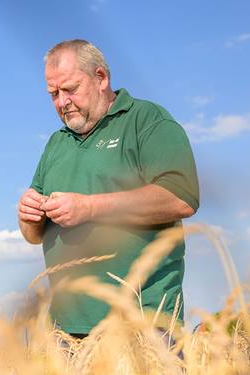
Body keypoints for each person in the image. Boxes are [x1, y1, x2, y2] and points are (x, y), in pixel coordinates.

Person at [18, 39, 199, 340]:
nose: (62, 102)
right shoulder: (56, 144)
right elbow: (32, 236)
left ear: (101, 78)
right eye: (53, 94)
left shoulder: (146, 120)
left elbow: (182, 196)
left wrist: (89, 207)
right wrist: (28, 216)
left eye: (70, 89)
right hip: (66, 334)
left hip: (144, 324)